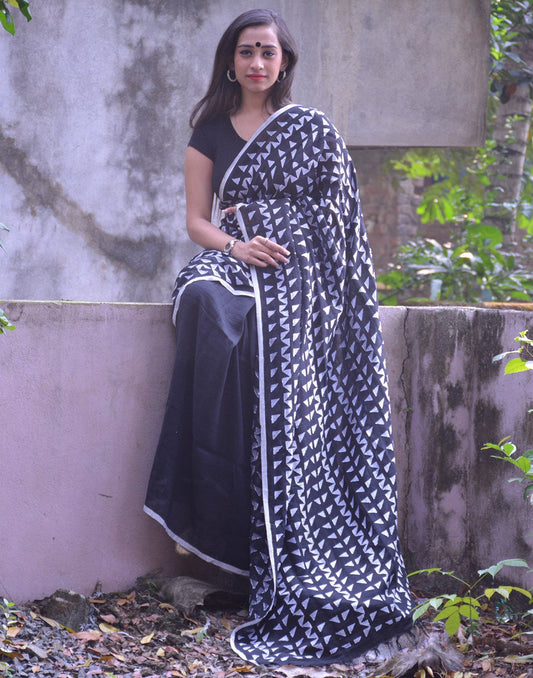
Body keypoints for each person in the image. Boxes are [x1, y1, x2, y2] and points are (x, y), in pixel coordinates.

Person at [145, 8, 413, 667]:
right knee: (205, 299)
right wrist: (238, 245)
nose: (256, 62)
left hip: (305, 272)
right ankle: (212, 453)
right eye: (245, 51)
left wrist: (307, 265)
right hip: (236, 257)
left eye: (267, 51)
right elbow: (196, 222)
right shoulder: (208, 130)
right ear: (229, 61)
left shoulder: (310, 130)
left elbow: (342, 219)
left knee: (284, 348)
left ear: (284, 61)